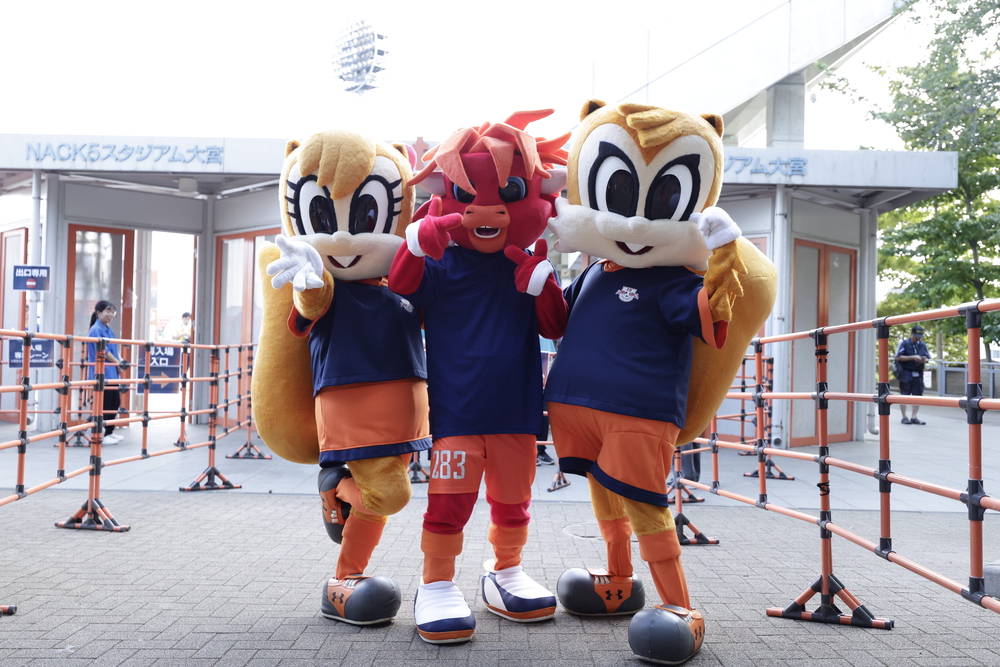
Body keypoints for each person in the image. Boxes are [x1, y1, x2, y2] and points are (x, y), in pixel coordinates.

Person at [87, 301, 128, 445]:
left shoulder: (108, 329)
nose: (110, 315)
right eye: (107, 311)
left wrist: (120, 361)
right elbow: (104, 351)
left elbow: (114, 350)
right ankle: (101, 434)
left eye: (112, 312)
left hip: (111, 372)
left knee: (114, 402)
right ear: (98, 313)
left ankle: (109, 432)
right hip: (102, 372)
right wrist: (118, 363)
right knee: (105, 404)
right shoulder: (96, 329)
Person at [896, 325, 931, 425]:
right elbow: (898, 357)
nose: (918, 338)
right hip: (906, 372)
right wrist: (912, 357)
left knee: (918, 395)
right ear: (911, 334)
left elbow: (928, 358)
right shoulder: (904, 343)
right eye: (916, 336)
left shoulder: (922, 345)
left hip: (918, 373)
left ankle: (914, 416)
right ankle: (904, 416)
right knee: (904, 394)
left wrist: (923, 360)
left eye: (919, 336)